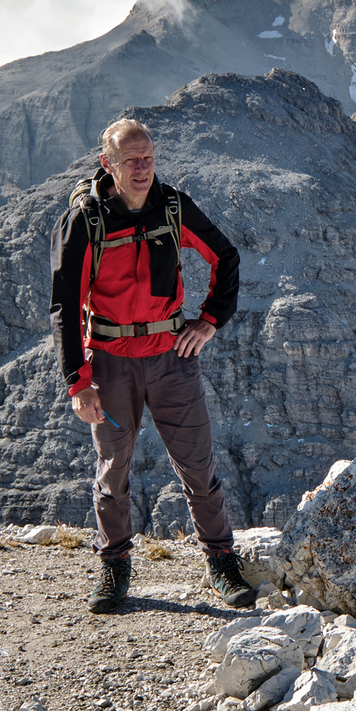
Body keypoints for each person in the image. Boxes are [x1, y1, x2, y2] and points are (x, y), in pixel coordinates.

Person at [49, 117, 254, 613]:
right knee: (113, 470)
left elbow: (226, 256)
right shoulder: (86, 219)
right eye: (131, 161)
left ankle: (221, 561)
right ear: (108, 164)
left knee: (198, 465)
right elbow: (66, 304)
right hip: (112, 365)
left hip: (171, 359)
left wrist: (209, 321)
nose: (142, 169)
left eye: (149, 159)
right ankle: (114, 565)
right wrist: (78, 383)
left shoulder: (172, 207)